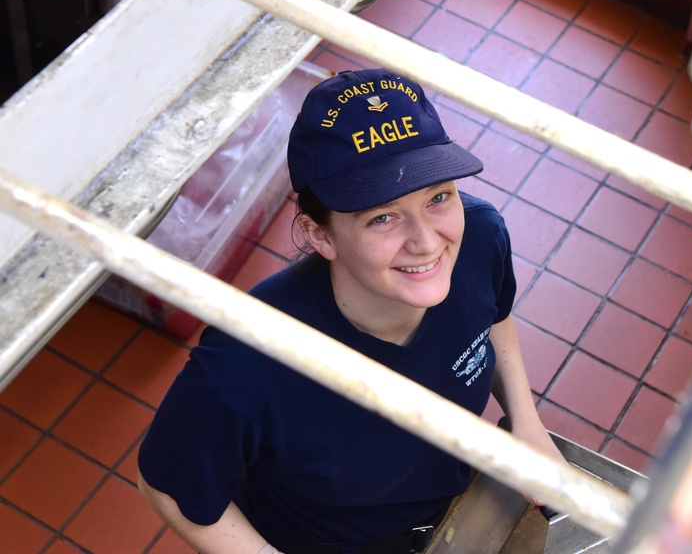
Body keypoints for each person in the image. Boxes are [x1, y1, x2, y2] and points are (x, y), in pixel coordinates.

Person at [137, 68, 564, 554]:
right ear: (321, 235)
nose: (428, 243)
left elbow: (493, 314)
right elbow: (166, 485)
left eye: (438, 197)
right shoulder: (248, 359)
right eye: (383, 216)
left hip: (449, 505)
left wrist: (525, 420)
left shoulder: (480, 239)